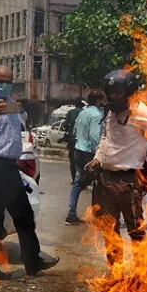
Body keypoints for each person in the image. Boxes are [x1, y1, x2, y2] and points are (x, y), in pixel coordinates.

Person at [0, 65, 58, 276]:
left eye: (8, 81)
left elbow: (20, 125)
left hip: (9, 167)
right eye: (0, 80)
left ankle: (28, 263)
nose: (4, 84)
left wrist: (18, 108)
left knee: (18, 216)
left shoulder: (11, 103)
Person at [86, 69, 147, 265]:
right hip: (106, 180)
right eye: (110, 93)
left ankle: (140, 281)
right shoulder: (111, 112)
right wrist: (97, 158)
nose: (113, 97)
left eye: (118, 93)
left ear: (130, 92)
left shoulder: (143, 113)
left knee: (136, 233)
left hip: (129, 183)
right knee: (109, 233)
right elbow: (106, 138)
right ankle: (115, 276)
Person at [65, 90, 106, 225]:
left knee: (78, 183)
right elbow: (95, 137)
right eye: (103, 100)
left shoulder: (82, 112)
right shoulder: (96, 115)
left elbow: (76, 131)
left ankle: (71, 214)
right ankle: (97, 215)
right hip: (89, 153)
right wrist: (98, 154)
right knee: (98, 183)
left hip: (78, 150)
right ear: (98, 100)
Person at [64, 99, 85, 183]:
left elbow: (65, 124)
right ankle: (83, 181)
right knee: (83, 162)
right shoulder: (85, 113)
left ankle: (74, 180)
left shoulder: (70, 112)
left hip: (72, 140)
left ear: (75, 104)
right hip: (83, 140)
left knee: (73, 161)